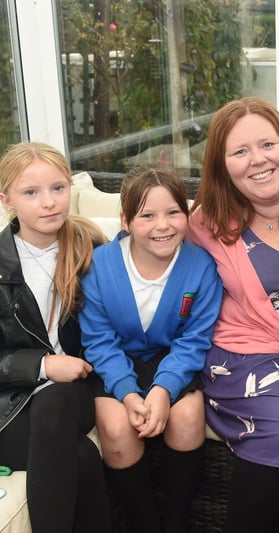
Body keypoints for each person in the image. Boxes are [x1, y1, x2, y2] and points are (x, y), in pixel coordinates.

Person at [187, 96, 279, 532]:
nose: (257, 160)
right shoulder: (206, 223)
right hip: (248, 356)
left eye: (266, 145)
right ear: (222, 165)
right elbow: (145, 246)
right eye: (240, 151)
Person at [79, 167, 222, 533]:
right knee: (114, 426)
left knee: (188, 416)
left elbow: (193, 340)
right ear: (125, 220)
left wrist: (163, 389)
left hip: (172, 357)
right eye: (147, 215)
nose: (163, 225)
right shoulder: (98, 266)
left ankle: (176, 523)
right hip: (116, 360)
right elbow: (99, 341)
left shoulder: (201, 267)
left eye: (173, 212)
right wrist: (127, 392)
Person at [0, 142, 112, 532]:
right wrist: (43, 364)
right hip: (9, 403)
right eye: (31, 192)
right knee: (79, 456)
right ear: (7, 199)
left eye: (58, 188)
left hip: (75, 391)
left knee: (53, 406)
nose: (48, 203)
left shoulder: (91, 248)